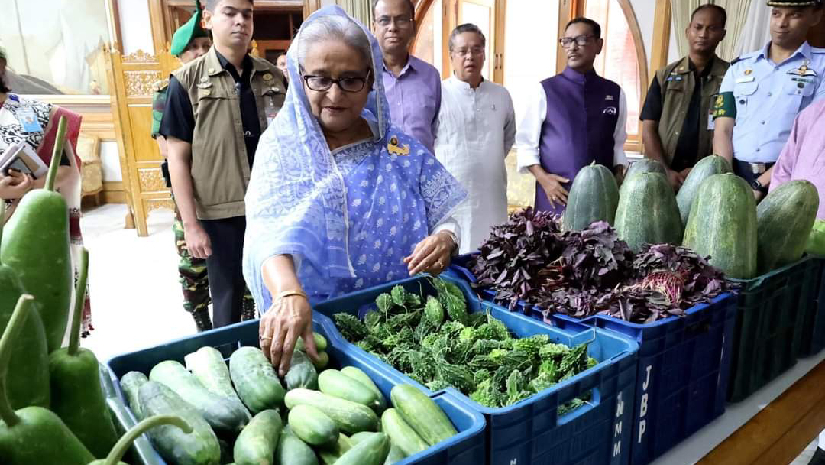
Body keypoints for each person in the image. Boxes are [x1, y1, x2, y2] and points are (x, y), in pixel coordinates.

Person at [243, 6, 466, 374]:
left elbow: (447, 211)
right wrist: (287, 293)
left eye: (350, 80)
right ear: (300, 79)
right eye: (320, 79)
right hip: (315, 332)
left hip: (399, 332)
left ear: (371, 79)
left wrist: (446, 237)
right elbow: (268, 233)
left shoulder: (398, 148)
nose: (335, 94)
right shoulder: (283, 149)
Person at [160, 0, 287, 328]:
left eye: (247, 14)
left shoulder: (272, 77)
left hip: (271, 206)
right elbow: (177, 158)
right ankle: (231, 364)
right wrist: (191, 226)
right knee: (227, 298)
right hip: (220, 213)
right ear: (209, 18)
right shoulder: (186, 82)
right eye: (230, 12)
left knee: (277, 292)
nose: (240, 22)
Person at [0, 67, 93, 338]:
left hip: (38, 229)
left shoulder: (36, 113)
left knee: (49, 316)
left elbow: (67, 170)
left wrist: (32, 187)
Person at [713, 0, 825, 201]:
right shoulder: (739, 67)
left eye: (794, 15)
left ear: (815, 17)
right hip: (735, 175)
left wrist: (760, 184)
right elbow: (723, 129)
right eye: (776, 13)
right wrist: (726, 179)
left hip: (790, 180)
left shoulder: (821, 67)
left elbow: (813, 139)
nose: (782, 23)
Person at [516, 18, 627, 214]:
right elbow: (526, 145)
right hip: (556, 196)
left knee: (600, 243)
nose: (572, 47)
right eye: (567, 41)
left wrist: (618, 176)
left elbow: (617, 144)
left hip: (602, 199)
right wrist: (544, 180)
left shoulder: (614, 93)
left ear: (598, 45)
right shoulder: (544, 90)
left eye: (581, 40)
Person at [151, 0, 214, 332]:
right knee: (193, 261)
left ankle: (246, 315)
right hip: (188, 190)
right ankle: (202, 320)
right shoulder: (168, 91)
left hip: (227, 190)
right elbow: (167, 148)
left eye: (206, 45)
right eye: (194, 48)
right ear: (180, 55)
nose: (201, 52)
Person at [434, 24, 515, 253]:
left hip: (492, 193)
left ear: (485, 54)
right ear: (451, 56)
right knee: (455, 256)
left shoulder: (501, 95)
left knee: (493, 253)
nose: (470, 56)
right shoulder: (439, 94)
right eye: (463, 51)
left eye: (477, 49)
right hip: (452, 197)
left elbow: (507, 137)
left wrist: (486, 159)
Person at [641, 4, 729, 189]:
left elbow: (732, 131)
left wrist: (702, 171)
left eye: (711, 29)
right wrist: (665, 171)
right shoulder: (664, 75)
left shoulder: (731, 77)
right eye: (698, 27)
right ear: (688, 31)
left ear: (722, 34)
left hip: (708, 178)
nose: (703, 34)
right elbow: (648, 127)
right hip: (662, 175)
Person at [373, 0, 441, 153]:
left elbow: (435, 130)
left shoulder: (431, 76)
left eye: (401, 19)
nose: (393, 28)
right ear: (374, 27)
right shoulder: (363, 77)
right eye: (384, 20)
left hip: (423, 173)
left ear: (413, 27)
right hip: (378, 174)